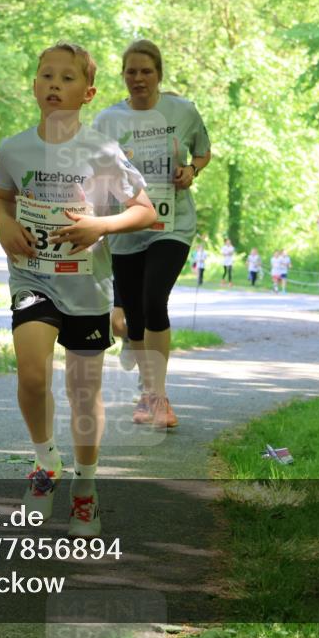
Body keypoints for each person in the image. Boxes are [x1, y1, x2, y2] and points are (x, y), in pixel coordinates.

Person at [0, 43, 155, 537]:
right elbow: (4, 197)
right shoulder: (14, 149)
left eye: (66, 79)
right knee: (32, 372)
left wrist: (99, 227)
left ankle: (85, 488)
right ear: (35, 86)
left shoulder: (101, 150)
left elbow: (145, 210)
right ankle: (46, 464)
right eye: (46, 76)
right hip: (33, 277)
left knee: (84, 394)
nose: (54, 85)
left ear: (87, 93)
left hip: (86, 286)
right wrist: (3, 227)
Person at [93, 39, 211, 430]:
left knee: (153, 298)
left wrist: (192, 171)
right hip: (126, 226)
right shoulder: (108, 121)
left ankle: (159, 398)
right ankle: (146, 392)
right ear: (123, 76)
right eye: (131, 72)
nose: (138, 78)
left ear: (159, 74)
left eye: (146, 71)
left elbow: (202, 152)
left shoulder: (183, 111)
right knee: (134, 315)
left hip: (172, 222)